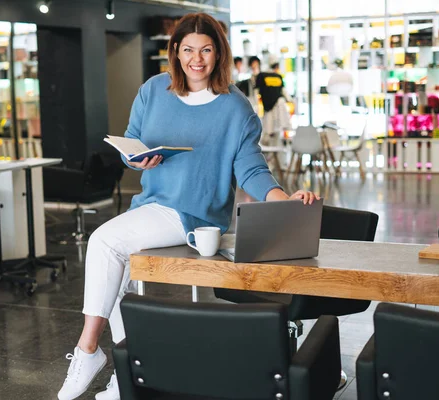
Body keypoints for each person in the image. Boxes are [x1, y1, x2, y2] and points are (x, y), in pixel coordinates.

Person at [57, 12, 319, 400]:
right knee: (115, 273)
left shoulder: (236, 108)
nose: (197, 59)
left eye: (207, 49)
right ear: (176, 52)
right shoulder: (152, 90)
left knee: (102, 243)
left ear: (219, 53)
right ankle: (127, 374)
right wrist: (137, 159)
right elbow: (132, 141)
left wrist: (285, 199)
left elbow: (250, 168)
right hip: (150, 206)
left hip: (195, 215)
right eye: (188, 50)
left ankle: (88, 350)